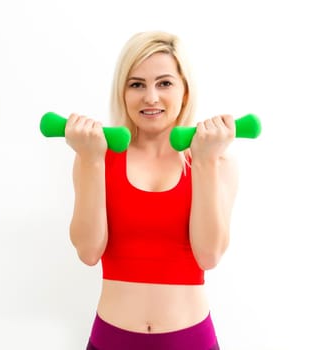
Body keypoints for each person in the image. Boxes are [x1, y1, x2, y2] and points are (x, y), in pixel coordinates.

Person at [64, 30, 239, 350]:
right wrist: (90, 160)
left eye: (164, 83)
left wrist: (203, 162)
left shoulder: (217, 162)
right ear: (122, 92)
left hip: (190, 340)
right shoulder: (96, 158)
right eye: (136, 84)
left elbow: (209, 255)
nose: (151, 97)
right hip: (111, 339)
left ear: (185, 90)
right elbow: (89, 252)